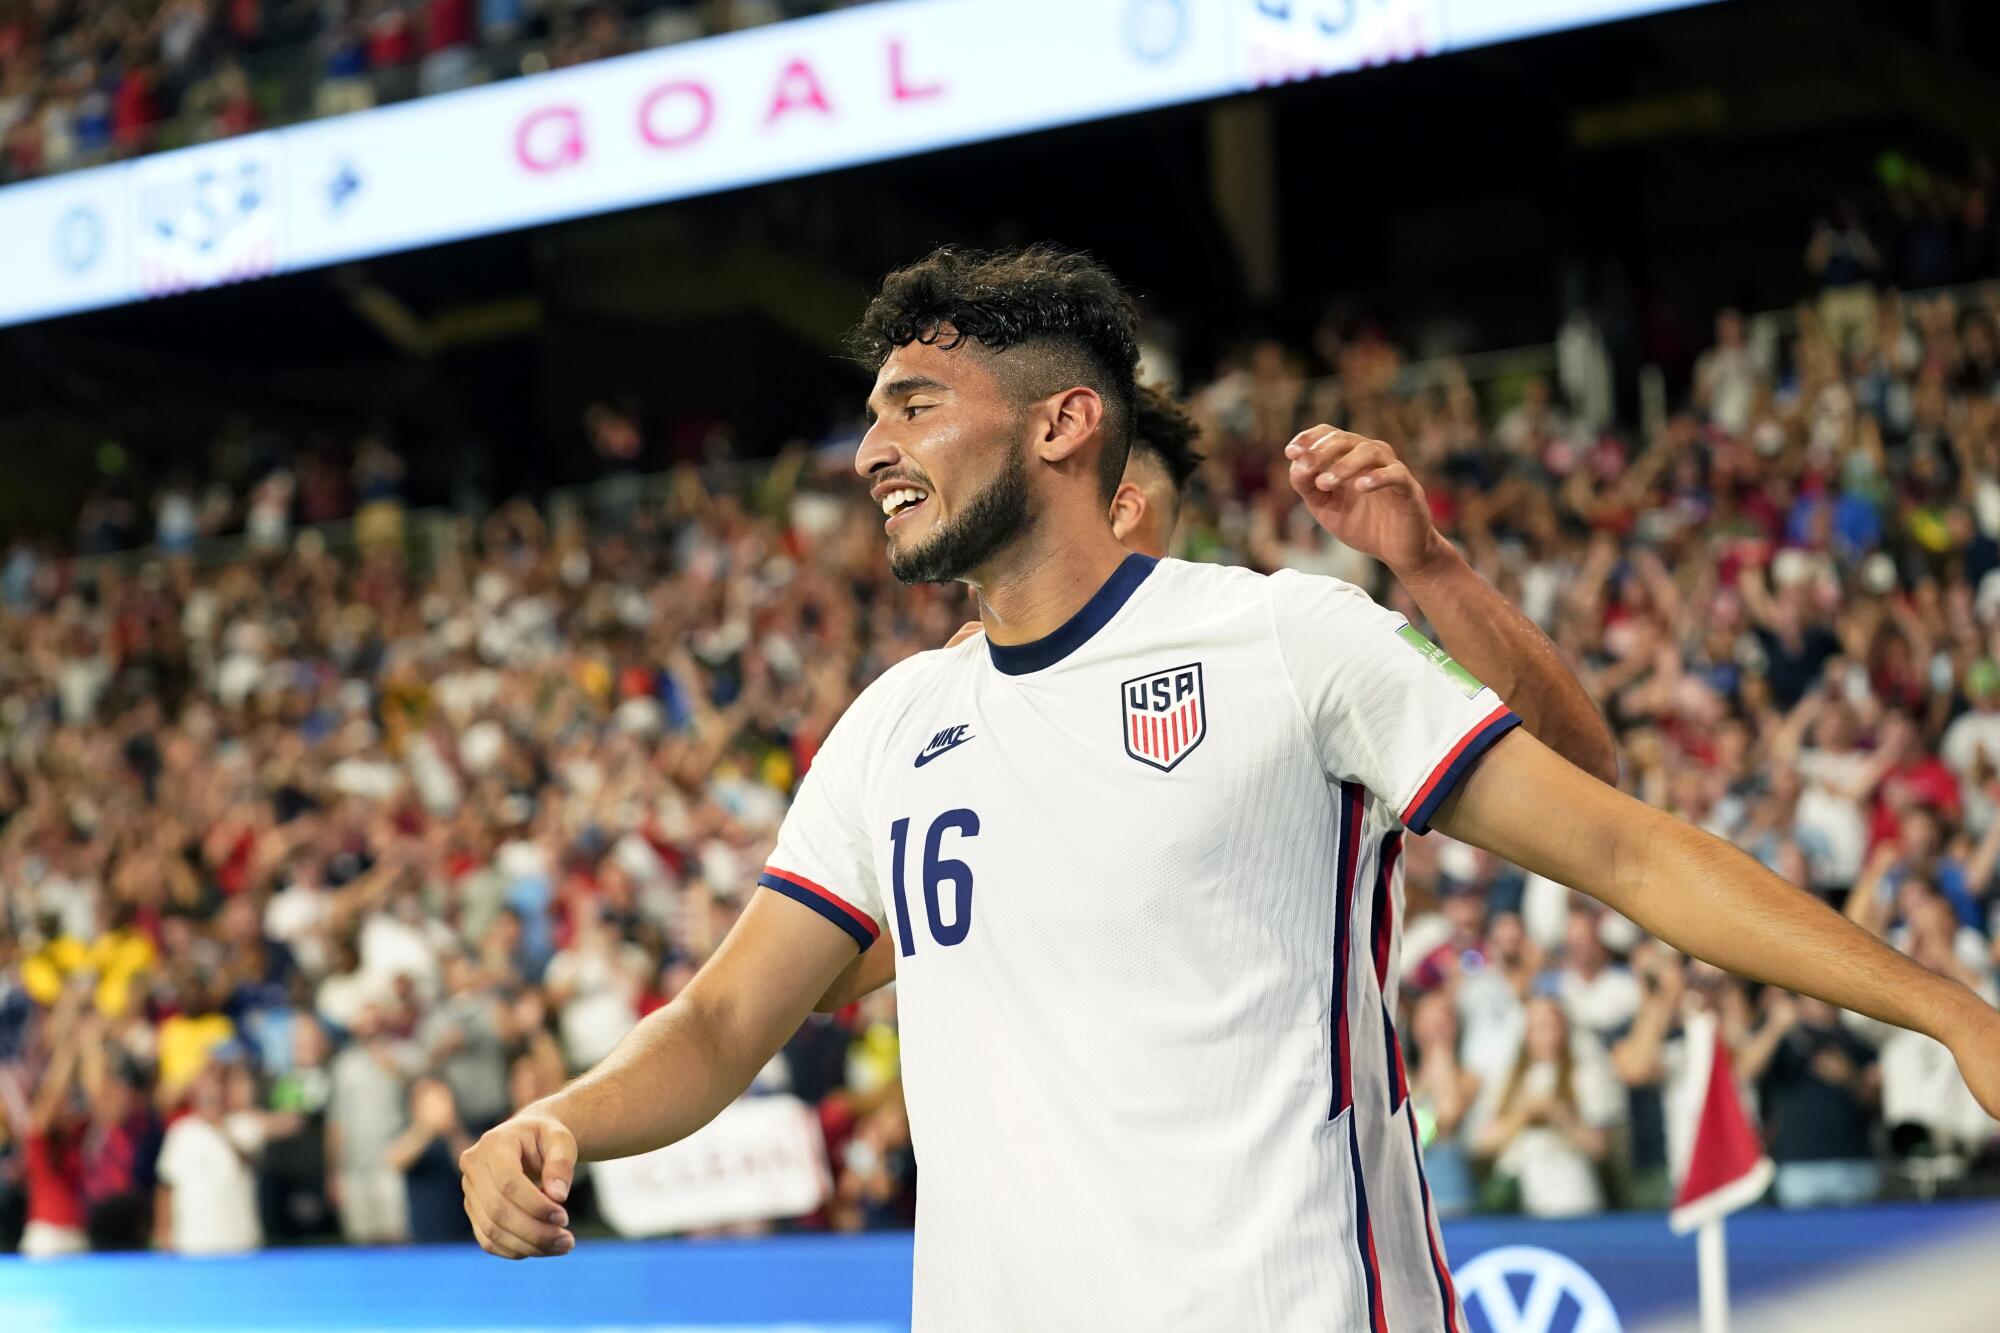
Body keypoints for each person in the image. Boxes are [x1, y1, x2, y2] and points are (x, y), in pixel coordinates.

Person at [461, 246, 2000, 1331]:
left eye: (913, 405)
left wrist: (1951, 1010)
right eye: (872, 414)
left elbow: (1624, 843)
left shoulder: (1281, 640)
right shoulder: (891, 728)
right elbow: (728, 1018)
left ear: (1066, 425)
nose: (871, 448)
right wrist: (561, 1118)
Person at [817, 375, 1616, 1011]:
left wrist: (1433, 565)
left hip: (1300, 1209)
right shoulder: (949, 714)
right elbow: (822, 977)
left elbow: (1583, 784)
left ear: (1120, 507)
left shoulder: (1279, 655)